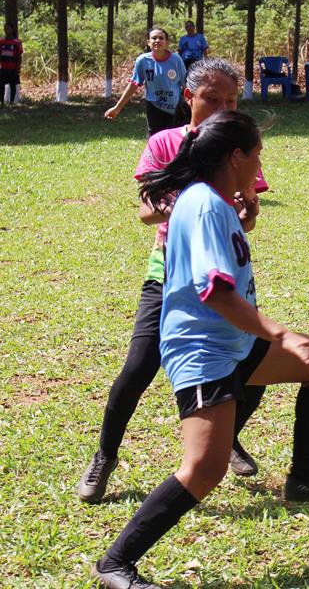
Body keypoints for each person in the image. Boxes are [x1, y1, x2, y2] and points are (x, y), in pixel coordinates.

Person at [90, 109, 309, 588]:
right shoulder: (206, 205)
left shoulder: (213, 200)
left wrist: (243, 214)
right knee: (204, 469)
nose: (259, 164)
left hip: (234, 341)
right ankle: (115, 564)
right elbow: (215, 291)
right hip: (204, 349)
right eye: (256, 155)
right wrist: (280, 333)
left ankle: (305, 477)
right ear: (235, 156)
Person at [79, 59, 269, 504]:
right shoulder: (165, 142)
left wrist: (248, 215)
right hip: (169, 274)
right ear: (189, 98)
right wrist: (188, 207)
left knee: (255, 360)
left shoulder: (237, 144)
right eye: (212, 99)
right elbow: (146, 211)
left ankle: (227, 435)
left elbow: (245, 219)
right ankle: (105, 455)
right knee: (140, 364)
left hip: (224, 276)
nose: (223, 107)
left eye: (231, 100)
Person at [105, 27, 187, 137]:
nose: (157, 40)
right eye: (154, 38)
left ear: (167, 43)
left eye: (161, 38)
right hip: (154, 106)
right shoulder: (143, 60)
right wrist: (117, 108)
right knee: (155, 139)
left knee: (175, 140)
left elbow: (186, 84)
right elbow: (134, 84)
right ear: (148, 42)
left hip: (175, 107)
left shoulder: (176, 59)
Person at [0, 22, 23, 106]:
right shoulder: (1, 41)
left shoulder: (17, 42)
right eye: (5, 28)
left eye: (9, 28)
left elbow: (19, 56)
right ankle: (2, 102)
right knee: (1, 85)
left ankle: (12, 102)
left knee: (13, 85)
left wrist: (18, 68)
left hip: (13, 68)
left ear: (12, 29)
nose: (7, 30)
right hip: (3, 67)